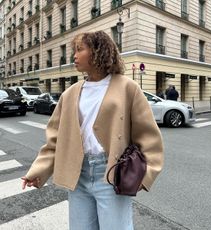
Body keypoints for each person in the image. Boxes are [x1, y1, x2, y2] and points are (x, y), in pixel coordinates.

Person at [21, 31, 164, 230]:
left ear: (98, 51)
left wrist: (146, 175)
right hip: (78, 174)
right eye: (74, 50)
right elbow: (55, 140)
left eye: (80, 49)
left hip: (111, 173)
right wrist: (38, 171)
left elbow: (148, 135)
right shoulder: (70, 93)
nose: (74, 56)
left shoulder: (127, 87)